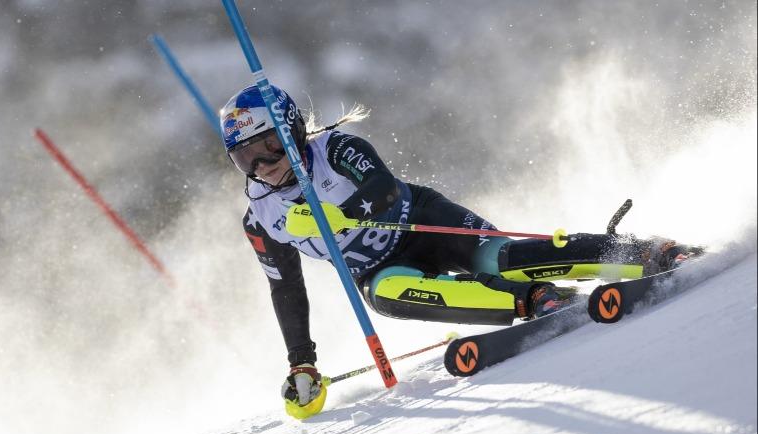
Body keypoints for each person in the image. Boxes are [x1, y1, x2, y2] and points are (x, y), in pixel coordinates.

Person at [220, 84, 694, 417]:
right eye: (245, 158)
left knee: (501, 258)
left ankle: (648, 252)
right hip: (385, 267)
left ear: (292, 131)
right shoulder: (261, 218)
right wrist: (301, 361)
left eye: (268, 148)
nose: (262, 167)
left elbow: (383, 190)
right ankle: (534, 300)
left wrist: (342, 215)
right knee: (386, 295)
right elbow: (285, 290)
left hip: (426, 223)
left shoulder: (336, 148)